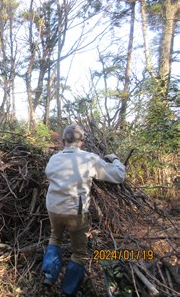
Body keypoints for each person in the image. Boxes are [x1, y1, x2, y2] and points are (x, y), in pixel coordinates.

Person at [42, 125, 126, 296]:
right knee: (80, 253)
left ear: (63, 141)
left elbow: (49, 174)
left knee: (55, 238)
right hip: (76, 212)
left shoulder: (54, 159)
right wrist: (115, 160)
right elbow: (118, 176)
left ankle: (49, 276)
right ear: (82, 142)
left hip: (53, 208)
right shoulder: (88, 158)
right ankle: (68, 290)